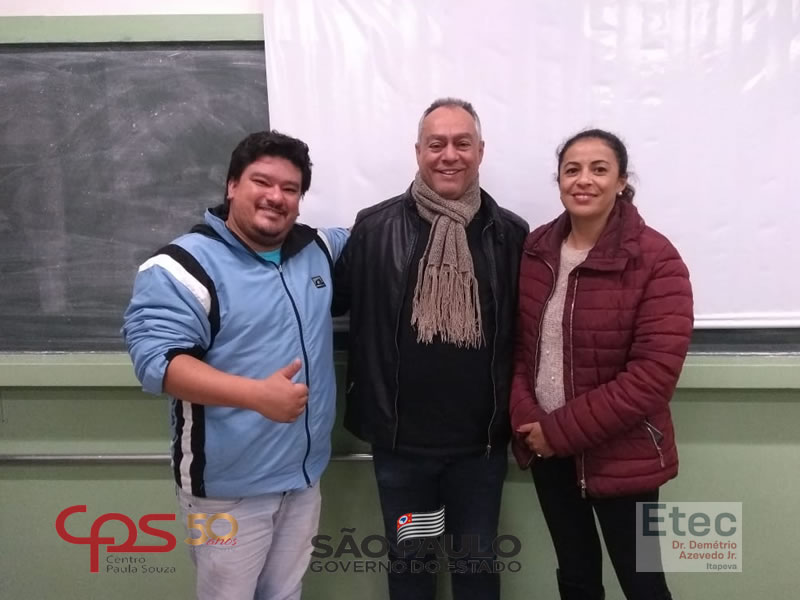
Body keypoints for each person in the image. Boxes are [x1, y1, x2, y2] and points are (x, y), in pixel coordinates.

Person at [122, 130, 348, 600]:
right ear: (231, 186)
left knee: (285, 594)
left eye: (290, 189)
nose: (275, 197)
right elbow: (158, 362)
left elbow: (376, 233)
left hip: (303, 479)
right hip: (226, 493)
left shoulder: (317, 250)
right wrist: (256, 396)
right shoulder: (182, 267)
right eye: (261, 182)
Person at [333, 98, 528, 600]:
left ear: (480, 151)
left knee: (477, 570)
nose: (449, 155)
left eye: (462, 143)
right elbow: (326, 301)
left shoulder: (509, 235)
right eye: (436, 143)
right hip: (402, 448)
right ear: (418, 151)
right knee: (410, 570)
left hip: (480, 449)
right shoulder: (373, 229)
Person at [510, 129, 693, 600]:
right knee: (576, 577)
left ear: (621, 181)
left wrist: (558, 431)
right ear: (559, 180)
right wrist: (529, 421)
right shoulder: (535, 250)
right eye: (572, 170)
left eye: (599, 169)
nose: (584, 180)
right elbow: (520, 350)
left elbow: (651, 378)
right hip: (549, 451)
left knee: (643, 583)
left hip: (623, 456)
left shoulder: (657, 259)